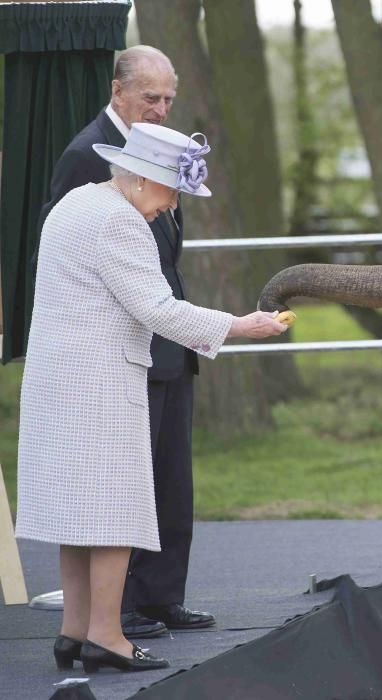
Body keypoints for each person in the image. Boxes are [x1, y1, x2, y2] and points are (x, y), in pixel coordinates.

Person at [16, 123, 288, 672]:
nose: (171, 206)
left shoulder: (76, 202)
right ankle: (107, 636)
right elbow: (158, 310)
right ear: (140, 178)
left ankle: (74, 632)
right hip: (99, 381)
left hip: (57, 377)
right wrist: (241, 325)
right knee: (115, 510)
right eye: (170, 191)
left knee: (78, 511)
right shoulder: (119, 222)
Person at [36, 45, 213, 639]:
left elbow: (163, 248)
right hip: (119, 343)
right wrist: (226, 325)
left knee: (170, 480)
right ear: (118, 93)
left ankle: (162, 594)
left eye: (169, 99)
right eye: (150, 98)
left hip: (168, 336)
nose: (162, 109)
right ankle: (120, 610)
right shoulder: (89, 156)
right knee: (121, 483)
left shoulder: (160, 153)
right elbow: (76, 252)